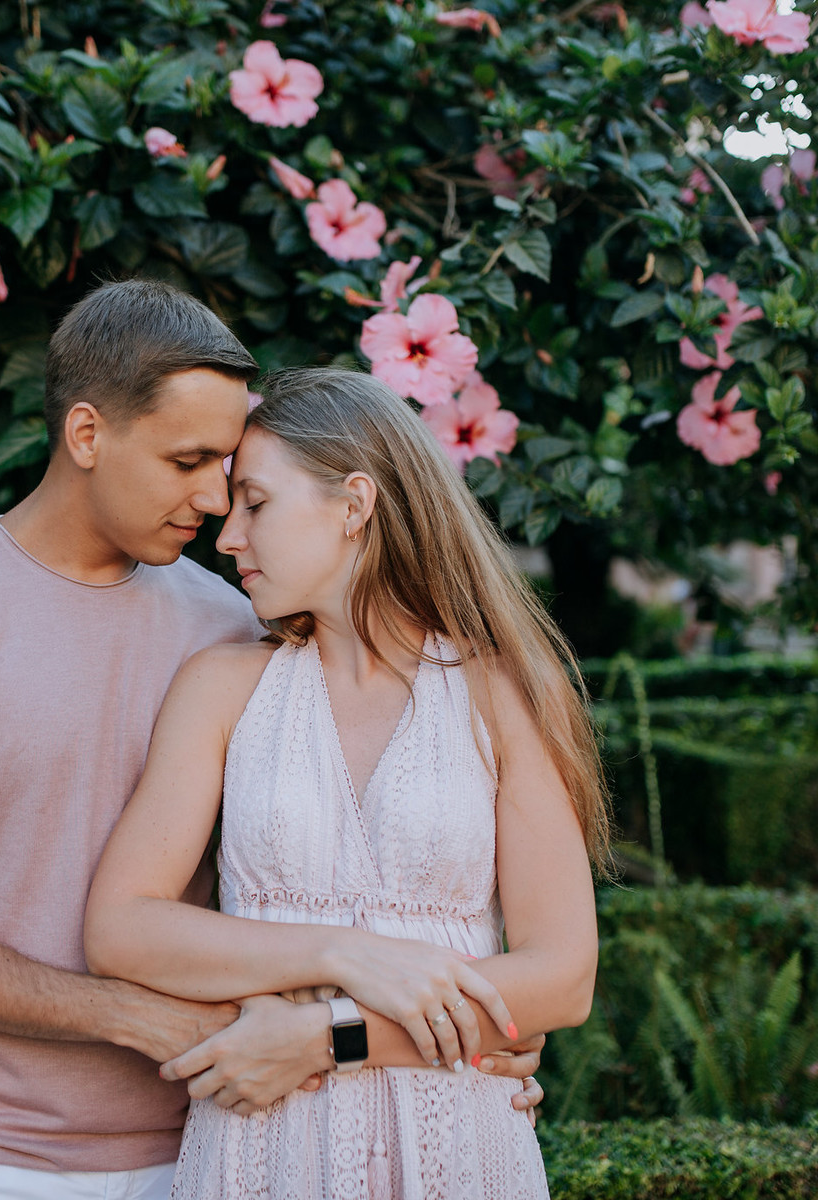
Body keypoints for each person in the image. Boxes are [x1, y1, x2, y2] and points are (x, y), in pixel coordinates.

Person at [0, 280, 545, 1200]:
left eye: (229, 469)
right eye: (189, 461)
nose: (216, 500)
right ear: (87, 436)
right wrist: (148, 1020)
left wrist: (459, 1046)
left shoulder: (245, 626)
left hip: (238, 1135)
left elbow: (374, 847)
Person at [85, 366, 610, 1198]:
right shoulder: (223, 690)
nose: (228, 537)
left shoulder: (500, 694)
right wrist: (345, 955)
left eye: (256, 503)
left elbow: (562, 976)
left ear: (354, 505)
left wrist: (327, 1036)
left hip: (457, 1146)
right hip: (264, 1145)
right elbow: (122, 927)